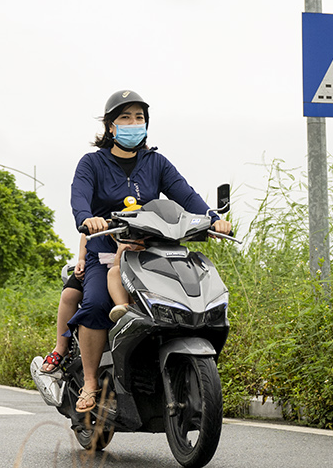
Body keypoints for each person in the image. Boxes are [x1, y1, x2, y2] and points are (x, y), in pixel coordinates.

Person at [68, 89, 232, 413]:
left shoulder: (156, 162)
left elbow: (186, 195)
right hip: (106, 251)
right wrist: (88, 219)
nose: (133, 123)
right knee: (98, 303)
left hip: (151, 251)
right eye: (125, 117)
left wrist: (213, 220)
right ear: (111, 127)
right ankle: (89, 382)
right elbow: (79, 200)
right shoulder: (92, 164)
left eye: (139, 117)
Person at [40, 232, 86, 373]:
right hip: (99, 259)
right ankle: (61, 347)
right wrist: (81, 259)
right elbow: (87, 232)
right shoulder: (102, 212)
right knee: (69, 294)